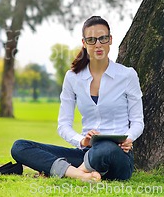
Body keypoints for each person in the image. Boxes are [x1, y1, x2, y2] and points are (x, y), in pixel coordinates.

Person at [10, 16, 144, 181]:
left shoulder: (127, 75)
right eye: (91, 40)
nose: (98, 44)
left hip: (118, 156)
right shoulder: (73, 77)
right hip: (86, 153)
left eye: (102, 38)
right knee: (20, 146)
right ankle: (80, 175)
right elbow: (63, 125)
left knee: (105, 148)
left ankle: (72, 173)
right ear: (84, 42)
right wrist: (83, 141)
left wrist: (128, 138)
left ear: (110, 40)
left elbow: (137, 121)